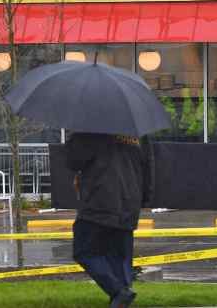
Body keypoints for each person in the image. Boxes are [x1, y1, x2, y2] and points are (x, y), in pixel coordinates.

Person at [66, 132, 154, 308]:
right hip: (129, 202)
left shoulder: (92, 127)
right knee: (119, 258)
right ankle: (122, 296)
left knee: (84, 251)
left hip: (98, 202)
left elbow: (73, 159)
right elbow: (148, 167)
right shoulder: (138, 131)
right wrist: (142, 199)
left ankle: (118, 292)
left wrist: (73, 135)